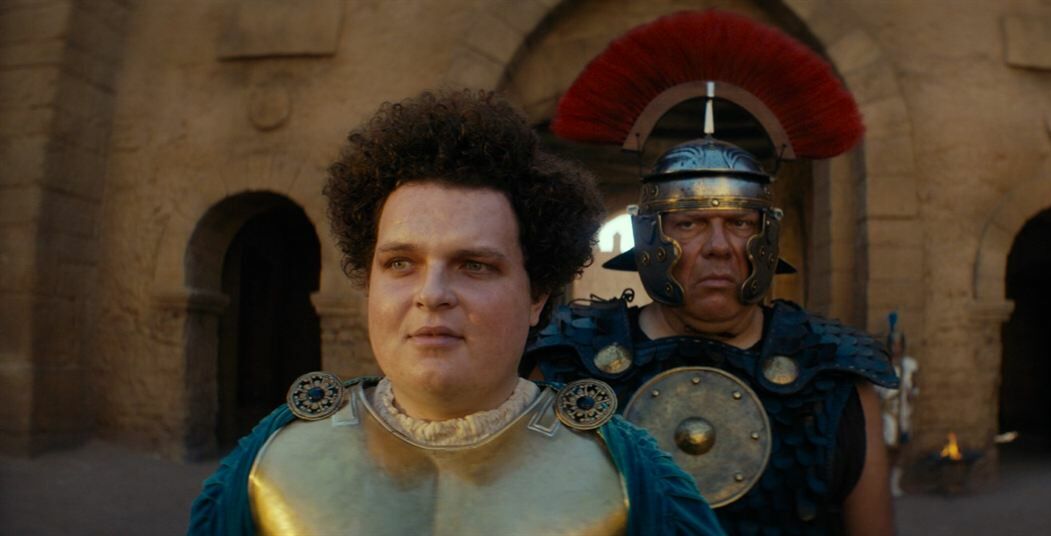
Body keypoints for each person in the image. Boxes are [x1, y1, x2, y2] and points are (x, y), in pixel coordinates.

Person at [188, 89, 722, 535]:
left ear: (537, 294)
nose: (432, 293)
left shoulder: (632, 480)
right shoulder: (267, 465)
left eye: (474, 266)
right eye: (400, 263)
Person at [525, 10, 901, 535]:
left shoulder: (833, 379)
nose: (720, 247)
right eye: (690, 223)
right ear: (650, 236)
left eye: (740, 223)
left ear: (766, 236)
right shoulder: (567, 365)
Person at [876, 314, 920, 498]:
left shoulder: (910, 365)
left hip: (903, 413)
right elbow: (876, 389)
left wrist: (912, 393)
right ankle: (882, 484)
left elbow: (915, 387)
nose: (896, 348)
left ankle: (895, 485)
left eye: (899, 344)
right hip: (887, 413)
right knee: (886, 449)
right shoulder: (882, 366)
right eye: (893, 344)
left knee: (901, 450)